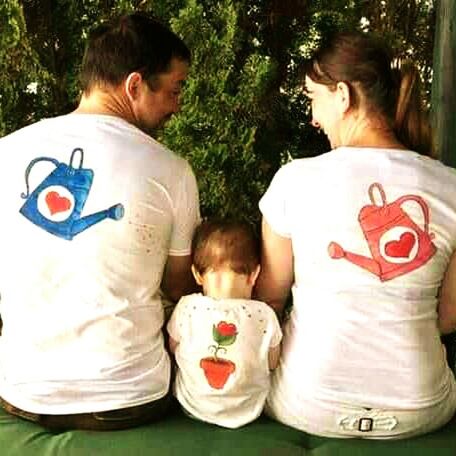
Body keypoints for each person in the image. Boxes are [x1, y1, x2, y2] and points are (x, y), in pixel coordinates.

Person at [0, 12, 200, 430]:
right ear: (134, 85)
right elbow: (179, 287)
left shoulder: (7, 153)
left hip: (22, 394)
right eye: (174, 90)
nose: (176, 106)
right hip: (129, 401)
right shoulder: (171, 170)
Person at [255, 30, 456, 439]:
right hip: (419, 408)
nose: (313, 117)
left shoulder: (296, 180)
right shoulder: (450, 186)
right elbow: (449, 318)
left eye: (314, 97)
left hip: (308, 405)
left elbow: (269, 301)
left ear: (343, 96)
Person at [167, 219, 282, 428]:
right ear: (255, 274)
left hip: (192, 406)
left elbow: (173, 348)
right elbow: (272, 363)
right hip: (250, 411)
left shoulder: (187, 307)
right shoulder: (264, 315)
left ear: (196, 275)